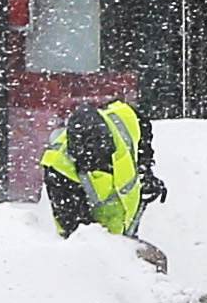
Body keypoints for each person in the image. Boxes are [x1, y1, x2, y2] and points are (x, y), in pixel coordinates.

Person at [40, 100, 167, 246]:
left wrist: (145, 170)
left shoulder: (121, 121)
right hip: (104, 250)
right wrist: (109, 249)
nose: (101, 167)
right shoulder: (58, 171)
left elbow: (142, 127)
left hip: (124, 227)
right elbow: (78, 233)